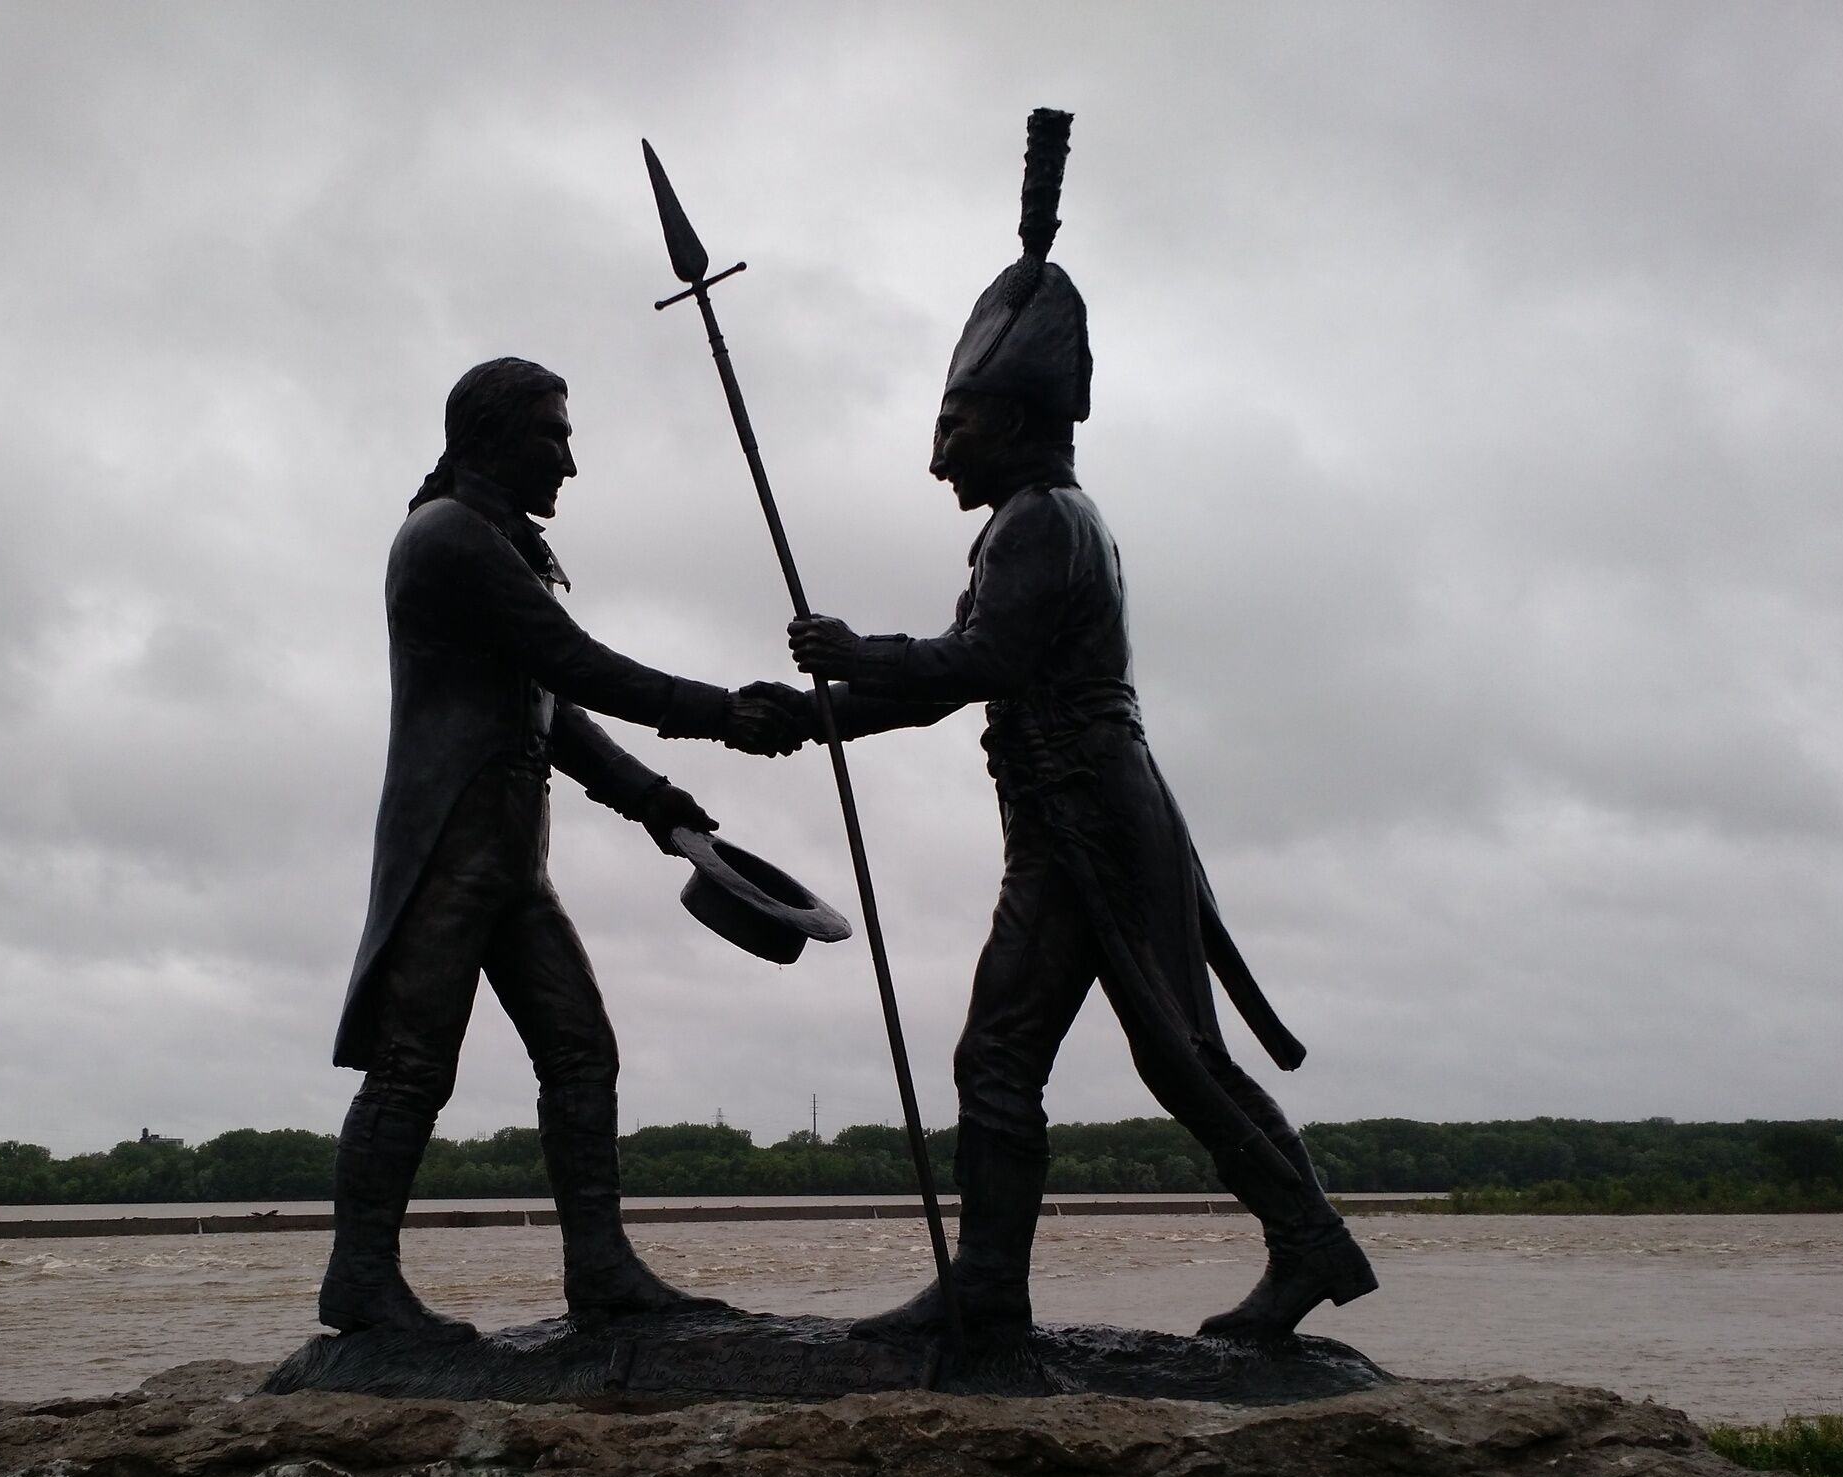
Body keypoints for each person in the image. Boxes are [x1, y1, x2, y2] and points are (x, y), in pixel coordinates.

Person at [777, 111, 1378, 1344]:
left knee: (1159, 1056)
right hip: (1065, 822)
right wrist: (807, 717)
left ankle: (1295, 1246)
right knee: (1017, 1056)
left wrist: (853, 659)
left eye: (953, 429)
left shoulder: (1047, 520)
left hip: (1091, 818)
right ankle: (995, 1288)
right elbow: (952, 679)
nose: (937, 457)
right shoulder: (1027, 523)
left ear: (1012, 419)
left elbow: (972, 664)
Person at [324, 357, 798, 1338]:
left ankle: (601, 1270)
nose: (570, 463)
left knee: (581, 1051)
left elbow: (555, 711)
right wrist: (722, 714)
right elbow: (577, 662)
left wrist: (659, 805)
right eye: (554, 436)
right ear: (492, 435)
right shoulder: (450, 539)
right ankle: (359, 1281)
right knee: (415, 1065)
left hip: (508, 862)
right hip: (451, 848)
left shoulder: (497, 542)